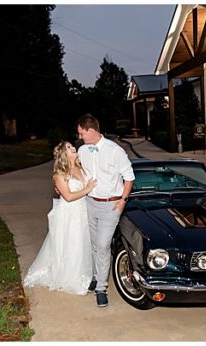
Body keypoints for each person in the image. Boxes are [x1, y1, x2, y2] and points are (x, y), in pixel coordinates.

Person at [23, 141, 98, 295]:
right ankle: (71, 277)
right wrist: (87, 188)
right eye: (69, 148)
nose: (73, 148)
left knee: (84, 242)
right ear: (64, 154)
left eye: (72, 146)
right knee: (72, 243)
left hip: (84, 210)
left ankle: (87, 274)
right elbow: (69, 197)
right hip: (70, 213)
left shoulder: (81, 167)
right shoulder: (60, 174)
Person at [77, 114, 135, 307]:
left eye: (81, 133)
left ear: (91, 131)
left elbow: (129, 177)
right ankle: (96, 277)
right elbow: (76, 170)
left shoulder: (114, 151)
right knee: (94, 244)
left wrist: (122, 201)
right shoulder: (83, 150)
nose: (80, 137)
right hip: (90, 202)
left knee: (103, 245)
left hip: (111, 205)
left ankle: (101, 288)